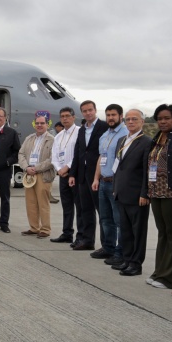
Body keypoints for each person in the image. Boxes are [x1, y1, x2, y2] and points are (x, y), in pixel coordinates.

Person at [145, 104, 172, 290]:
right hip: (156, 192)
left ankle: (171, 278)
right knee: (162, 233)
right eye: (160, 119)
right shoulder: (156, 139)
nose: (163, 122)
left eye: (167, 118)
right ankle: (160, 272)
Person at [110, 109, 152, 276]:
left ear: (142, 121)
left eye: (134, 119)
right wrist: (115, 188)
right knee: (126, 230)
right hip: (121, 193)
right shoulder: (122, 140)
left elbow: (147, 171)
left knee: (138, 232)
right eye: (127, 119)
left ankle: (136, 263)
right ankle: (127, 259)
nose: (130, 122)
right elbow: (117, 167)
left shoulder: (146, 142)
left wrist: (145, 193)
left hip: (137, 195)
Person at [90, 104, 127, 261]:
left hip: (115, 183)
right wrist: (96, 178)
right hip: (103, 182)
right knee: (105, 218)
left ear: (120, 116)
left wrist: (118, 183)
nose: (110, 118)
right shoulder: (105, 135)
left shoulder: (125, 134)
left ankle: (120, 251)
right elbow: (101, 158)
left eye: (113, 115)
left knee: (119, 220)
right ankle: (108, 247)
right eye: (108, 115)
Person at [68, 100, 102, 251]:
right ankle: (88, 241)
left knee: (102, 212)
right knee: (85, 210)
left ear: (95, 110)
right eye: (85, 111)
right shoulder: (82, 130)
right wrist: (72, 174)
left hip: (97, 175)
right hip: (82, 175)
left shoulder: (104, 127)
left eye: (90, 110)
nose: (88, 113)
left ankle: (108, 245)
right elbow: (78, 153)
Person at [18, 114, 55, 238]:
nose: (39, 125)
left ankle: (45, 229)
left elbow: (52, 159)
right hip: (29, 175)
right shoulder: (29, 138)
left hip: (42, 175)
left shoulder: (52, 139)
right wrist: (27, 167)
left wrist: (36, 168)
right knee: (31, 203)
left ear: (47, 125)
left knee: (43, 203)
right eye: (37, 123)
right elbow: (21, 153)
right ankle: (34, 227)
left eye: (42, 123)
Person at [50, 107, 81, 243]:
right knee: (66, 206)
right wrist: (59, 168)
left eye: (68, 116)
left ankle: (82, 236)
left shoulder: (80, 132)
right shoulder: (58, 136)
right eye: (62, 116)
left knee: (80, 207)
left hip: (76, 174)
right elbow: (54, 156)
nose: (65, 118)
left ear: (73, 117)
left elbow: (79, 154)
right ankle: (67, 233)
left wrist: (67, 167)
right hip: (62, 175)